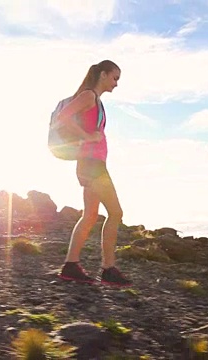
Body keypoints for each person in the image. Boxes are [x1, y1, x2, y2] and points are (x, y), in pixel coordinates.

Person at [54, 60, 132, 287]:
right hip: (92, 165)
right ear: (103, 75)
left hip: (91, 163)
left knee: (89, 215)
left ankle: (71, 266)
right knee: (116, 213)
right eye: (114, 78)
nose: (116, 84)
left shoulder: (95, 101)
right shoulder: (88, 96)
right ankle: (108, 269)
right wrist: (87, 137)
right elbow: (62, 118)